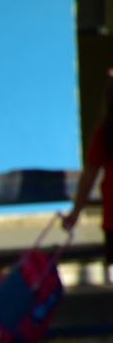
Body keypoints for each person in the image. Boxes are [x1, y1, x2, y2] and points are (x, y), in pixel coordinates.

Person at [63, 69, 112, 255]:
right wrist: (76, 212)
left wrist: (76, 212)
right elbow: (90, 174)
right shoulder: (105, 133)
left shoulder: (105, 132)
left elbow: (89, 175)